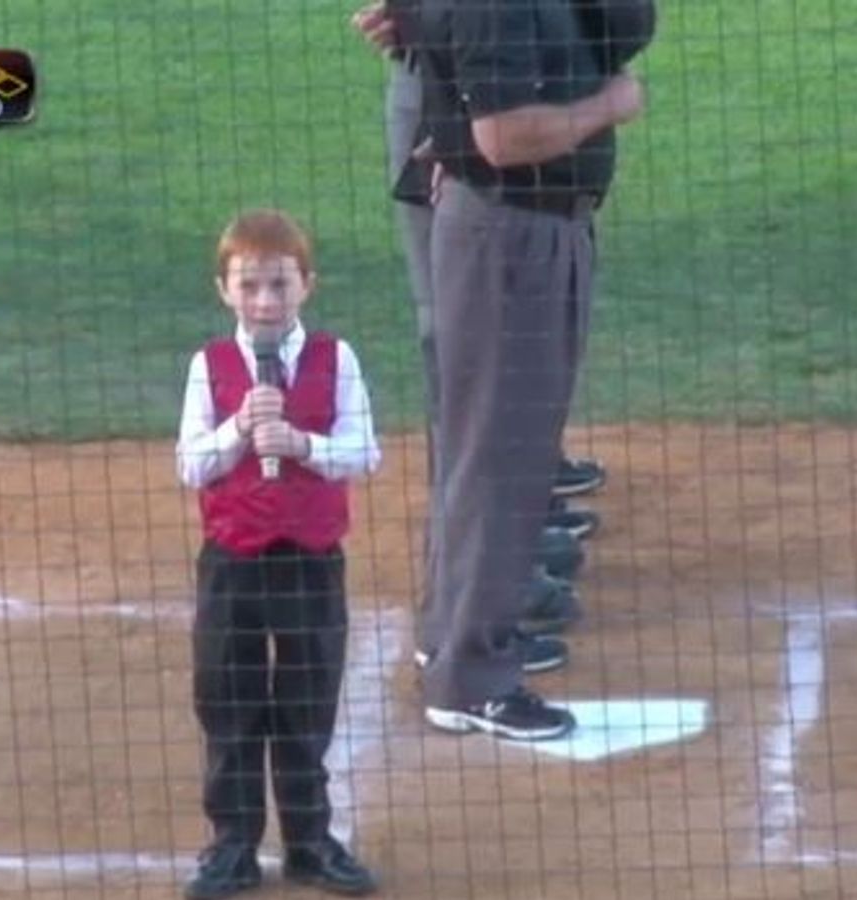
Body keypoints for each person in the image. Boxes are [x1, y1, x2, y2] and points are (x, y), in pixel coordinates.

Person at [397, 0, 647, 741]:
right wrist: (609, 105)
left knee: (493, 453)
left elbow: (629, 23)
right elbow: (504, 138)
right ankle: (471, 678)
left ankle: (455, 635)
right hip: (512, 235)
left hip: (521, 231)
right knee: (500, 461)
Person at [351, 2, 604, 654]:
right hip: (459, 94)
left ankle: (515, 530)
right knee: (467, 361)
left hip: (523, 70)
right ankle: (479, 593)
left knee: (508, 363)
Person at [175, 209, 381, 898]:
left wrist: (302, 446)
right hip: (232, 561)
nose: (265, 301)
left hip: (310, 561)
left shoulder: (337, 358)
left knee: (306, 700)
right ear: (224, 289)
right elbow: (190, 465)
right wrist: (239, 429)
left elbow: (365, 450)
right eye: (251, 285)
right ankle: (232, 845)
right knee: (228, 703)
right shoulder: (209, 367)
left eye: (279, 285)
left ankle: (308, 842)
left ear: (306, 286)